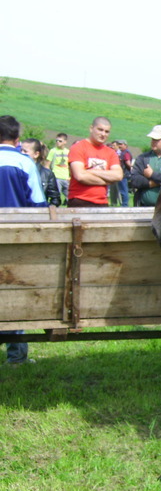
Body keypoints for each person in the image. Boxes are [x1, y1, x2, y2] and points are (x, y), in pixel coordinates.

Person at [0, 116, 46, 366]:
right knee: (13, 294)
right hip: (15, 238)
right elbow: (38, 204)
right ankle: (16, 356)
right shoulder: (24, 163)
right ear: (17, 139)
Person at [68, 117, 122, 207]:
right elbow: (80, 176)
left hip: (102, 202)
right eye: (100, 130)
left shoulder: (111, 152)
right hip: (79, 200)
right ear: (91, 128)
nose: (103, 134)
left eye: (106, 131)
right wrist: (108, 181)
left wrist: (91, 171)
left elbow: (118, 175)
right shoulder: (78, 147)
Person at [130, 125, 161, 206]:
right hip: (143, 207)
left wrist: (152, 175)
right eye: (153, 139)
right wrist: (152, 183)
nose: (153, 141)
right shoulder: (143, 158)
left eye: (157, 139)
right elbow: (134, 180)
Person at [20, 138, 61, 207]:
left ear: (36, 154)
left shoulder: (47, 174)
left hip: (38, 214)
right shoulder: (17, 171)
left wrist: (44, 211)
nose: (21, 153)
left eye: (25, 151)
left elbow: (55, 199)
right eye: (21, 150)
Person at [46, 133, 70, 204]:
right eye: (57, 140)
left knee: (69, 195)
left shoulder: (68, 152)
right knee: (57, 195)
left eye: (60, 141)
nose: (58, 142)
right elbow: (48, 164)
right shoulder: (53, 151)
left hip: (66, 177)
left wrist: (70, 176)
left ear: (65, 142)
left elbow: (69, 165)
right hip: (56, 176)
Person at [115, 139, 133, 206]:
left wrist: (133, 167)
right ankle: (124, 204)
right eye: (118, 144)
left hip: (124, 174)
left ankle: (125, 205)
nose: (119, 145)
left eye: (121, 144)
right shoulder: (122, 152)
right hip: (122, 174)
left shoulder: (126, 153)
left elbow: (128, 163)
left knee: (124, 191)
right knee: (122, 190)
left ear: (125, 145)